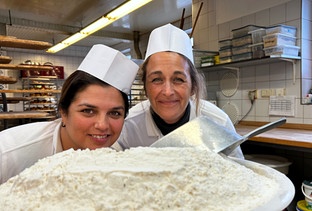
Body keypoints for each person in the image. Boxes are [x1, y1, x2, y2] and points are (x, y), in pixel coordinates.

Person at [0, 44, 139, 184]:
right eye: (88, 111)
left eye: (115, 113)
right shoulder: (9, 153)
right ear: (63, 112)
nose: (102, 125)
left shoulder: (117, 160)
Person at [116, 23, 244, 159]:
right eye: (156, 80)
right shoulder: (129, 127)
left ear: (193, 86)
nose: (167, 92)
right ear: (145, 89)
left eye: (178, 79)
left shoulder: (218, 123)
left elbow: (240, 174)